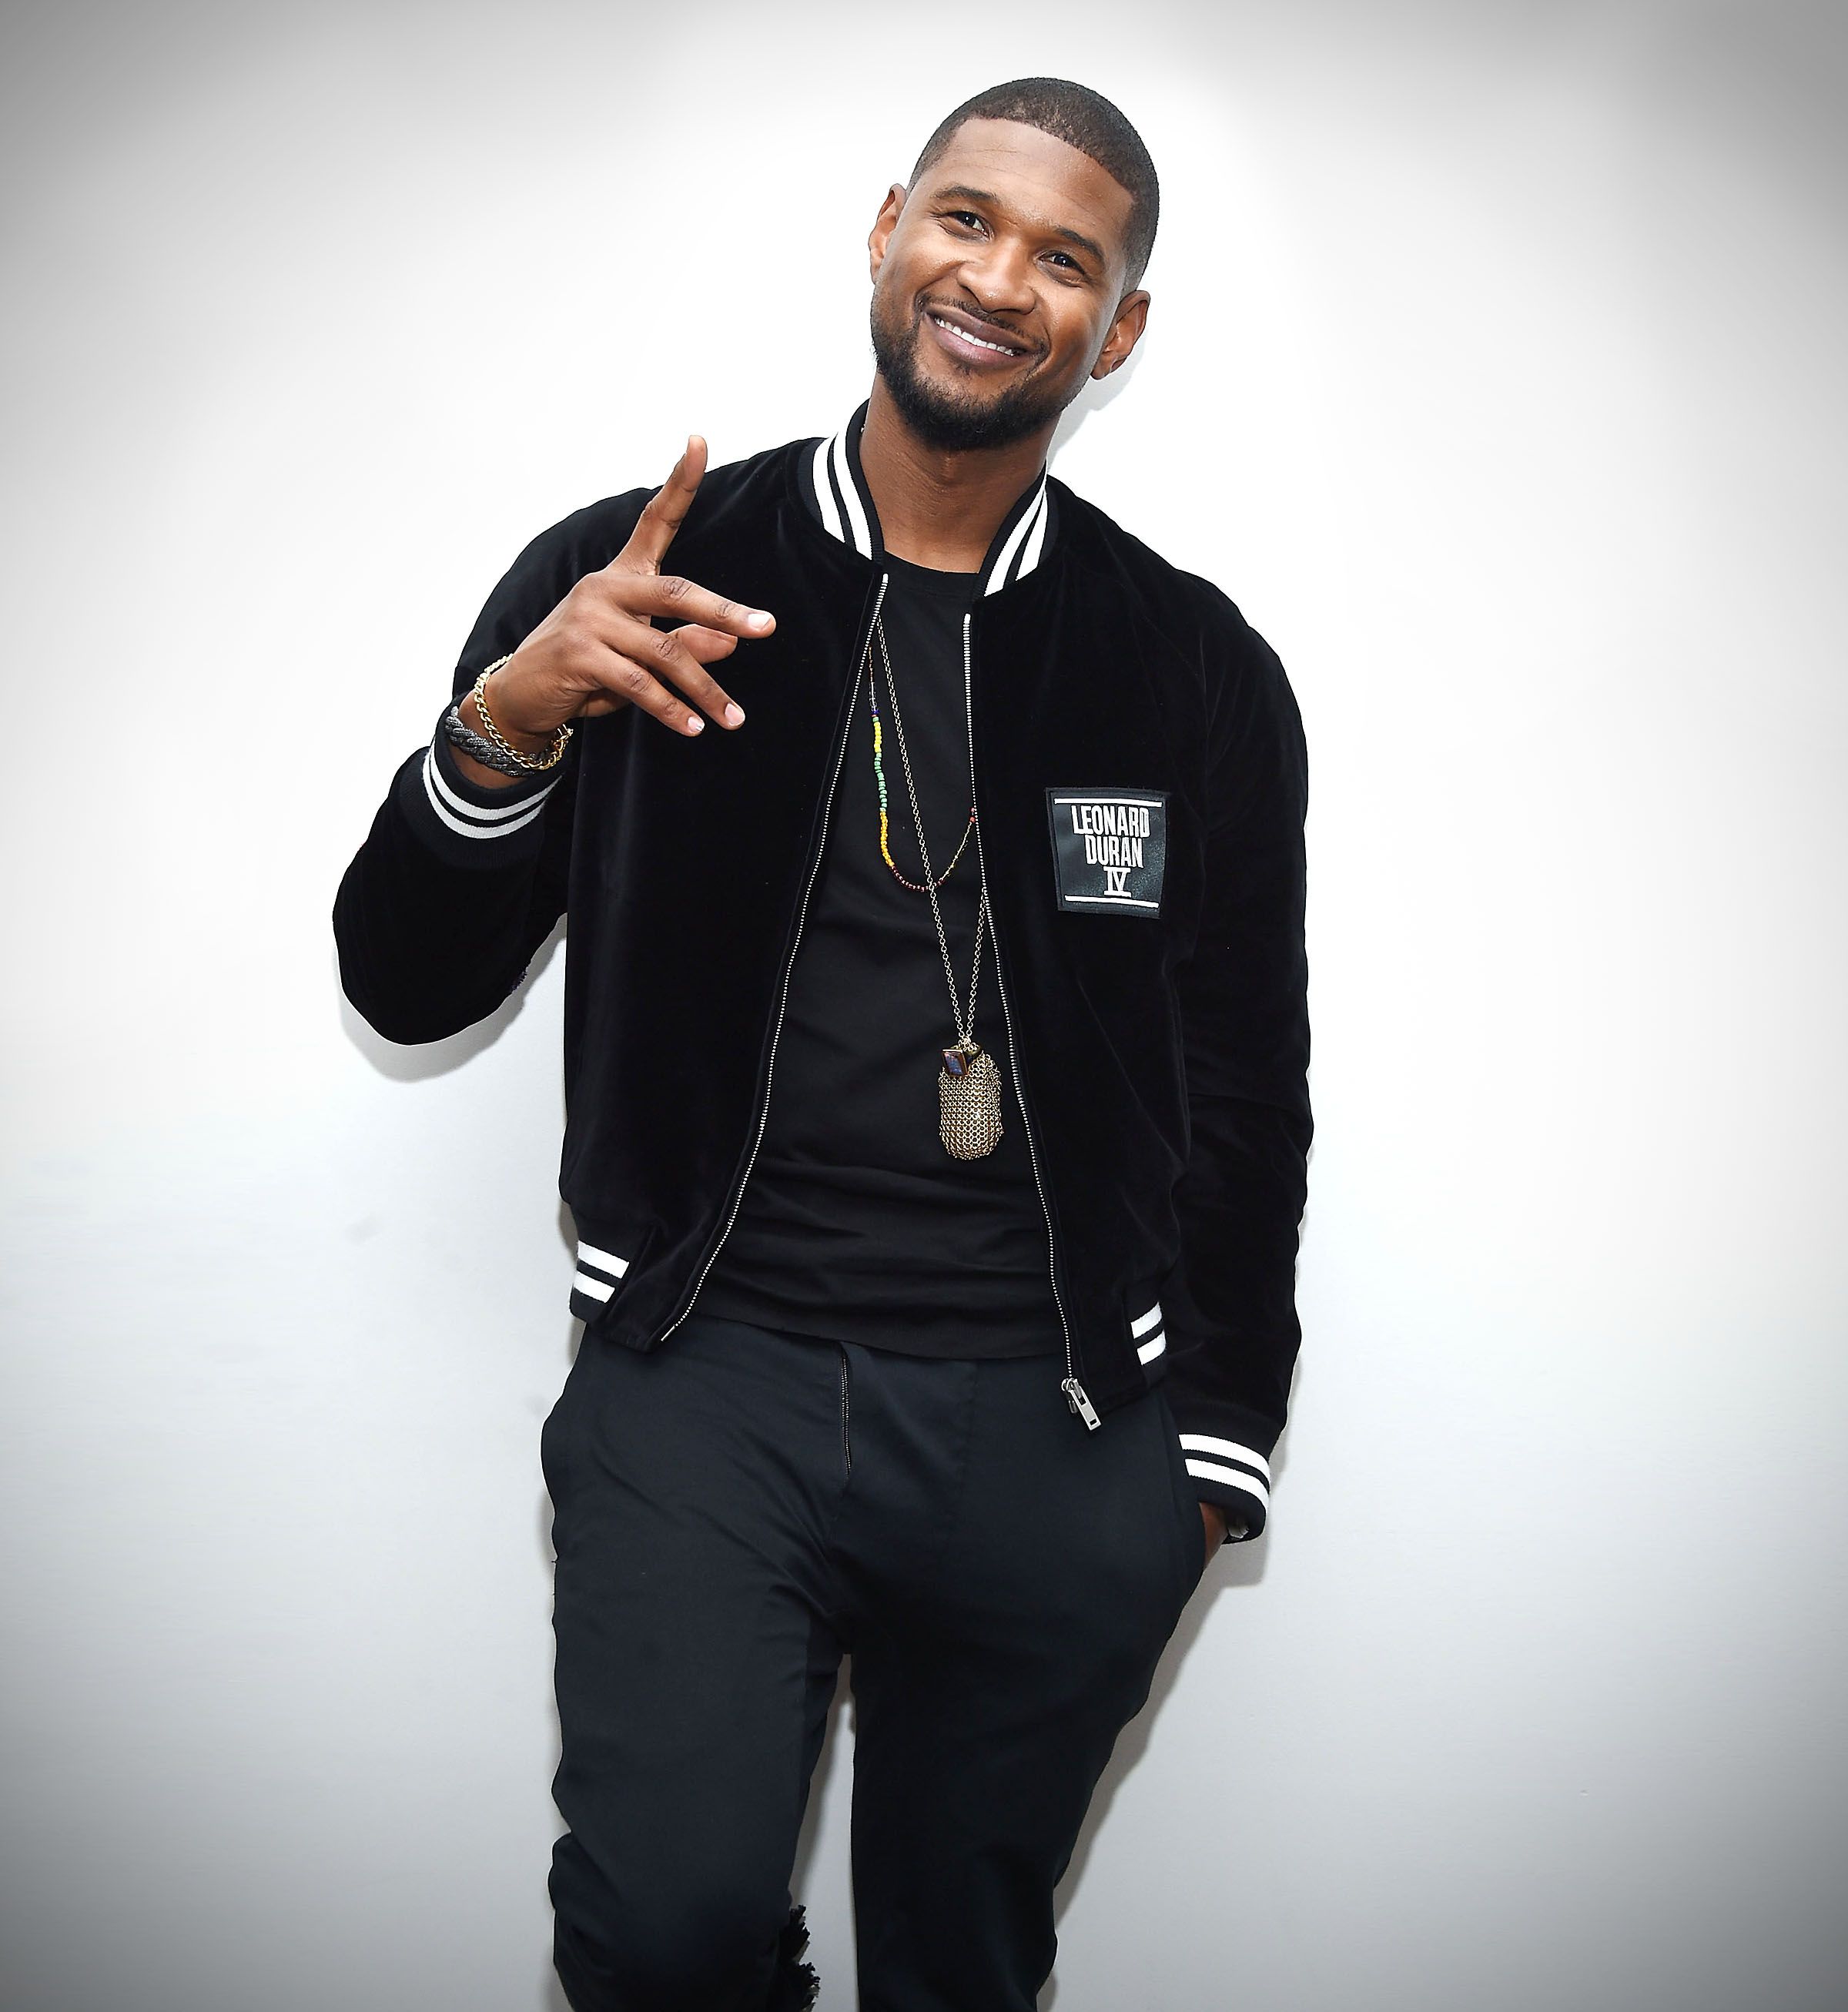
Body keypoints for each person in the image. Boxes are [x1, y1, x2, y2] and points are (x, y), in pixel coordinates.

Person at [335, 74, 1311, 2012]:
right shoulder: (641, 577)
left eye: (1066, 260)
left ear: (1117, 330)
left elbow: (1243, 1079)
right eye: (968, 218)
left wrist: (1204, 1464)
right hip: (712, 1384)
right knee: (666, 1938)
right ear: (887, 231)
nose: (1000, 280)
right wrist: (509, 724)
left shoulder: (1189, 660)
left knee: (961, 1968)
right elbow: (404, 979)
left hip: (1061, 1429)